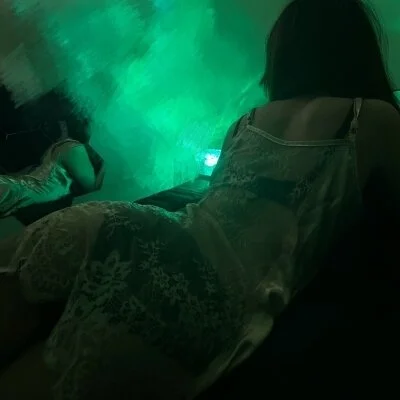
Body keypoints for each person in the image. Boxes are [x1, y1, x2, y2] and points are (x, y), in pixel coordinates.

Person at [0, 0, 400, 398]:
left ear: (284, 53)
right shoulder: (372, 118)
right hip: (203, 286)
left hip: (126, 228)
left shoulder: (246, 122)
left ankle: (47, 178)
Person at [0, 87, 104, 224]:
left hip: (16, 192)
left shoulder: (59, 148)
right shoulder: (73, 148)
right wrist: (104, 166)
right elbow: (91, 186)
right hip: (18, 194)